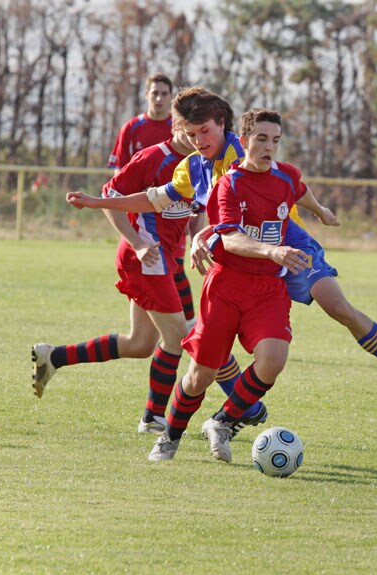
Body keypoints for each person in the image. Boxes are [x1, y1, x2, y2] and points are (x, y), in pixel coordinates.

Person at [74, 107, 312, 462]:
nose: (269, 147)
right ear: (244, 141)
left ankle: (223, 421)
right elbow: (211, 227)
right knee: (200, 374)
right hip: (226, 286)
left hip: (268, 288)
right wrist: (99, 203)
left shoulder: (286, 175)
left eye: (275, 140)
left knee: (273, 360)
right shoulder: (225, 179)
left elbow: (301, 191)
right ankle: (169, 435)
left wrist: (321, 212)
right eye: (261, 139)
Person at [32, 121, 198, 435]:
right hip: (148, 260)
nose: (198, 137)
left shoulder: (200, 161)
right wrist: (138, 244)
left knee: (139, 343)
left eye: (205, 131)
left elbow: (194, 210)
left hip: (166, 262)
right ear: (177, 125)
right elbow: (111, 194)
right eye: (193, 129)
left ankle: (53, 356)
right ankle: (153, 417)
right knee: (178, 337)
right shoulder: (153, 157)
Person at [108, 73, 196, 327]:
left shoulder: (186, 132)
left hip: (175, 216)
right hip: (143, 220)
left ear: (170, 98)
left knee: (175, 268)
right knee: (160, 276)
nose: (158, 98)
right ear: (146, 95)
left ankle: (185, 327)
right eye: (154, 93)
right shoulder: (133, 128)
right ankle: (182, 331)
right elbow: (119, 180)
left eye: (164, 94)